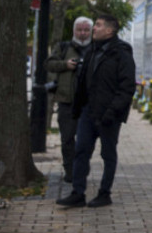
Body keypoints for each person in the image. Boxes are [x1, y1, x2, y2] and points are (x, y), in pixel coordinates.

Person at [56, 14, 136, 209]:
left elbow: (127, 87)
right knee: (81, 151)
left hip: (109, 114)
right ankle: (78, 193)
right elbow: (84, 82)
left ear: (109, 30)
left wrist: (112, 111)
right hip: (88, 112)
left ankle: (104, 193)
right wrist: (79, 107)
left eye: (98, 25)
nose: (94, 28)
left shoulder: (121, 52)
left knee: (108, 154)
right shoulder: (92, 50)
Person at [45, 16, 93, 183]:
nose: (82, 33)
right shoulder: (63, 47)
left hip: (88, 103)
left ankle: (82, 169)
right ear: (74, 30)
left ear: (91, 31)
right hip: (66, 101)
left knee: (85, 140)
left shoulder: (96, 49)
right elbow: (49, 64)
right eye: (79, 30)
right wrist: (66, 64)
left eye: (86, 30)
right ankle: (70, 171)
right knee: (67, 139)